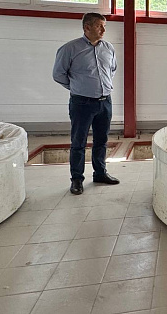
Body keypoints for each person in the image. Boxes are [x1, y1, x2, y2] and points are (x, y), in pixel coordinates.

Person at [53, 12, 120, 195]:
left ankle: (100, 173)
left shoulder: (108, 48)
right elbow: (58, 74)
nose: (103, 30)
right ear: (87, 27)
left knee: (101, 140)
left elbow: (112, 70)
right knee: (78, 142)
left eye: (104, 26)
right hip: (81, 103)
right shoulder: (70, 49)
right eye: (99, 26)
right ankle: (77, 179)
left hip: (105, 102)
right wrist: (78, 87)